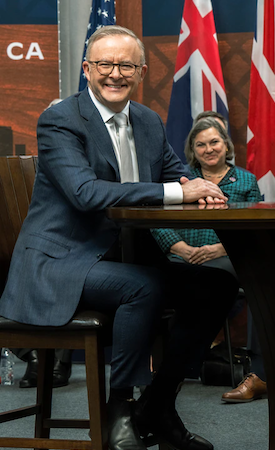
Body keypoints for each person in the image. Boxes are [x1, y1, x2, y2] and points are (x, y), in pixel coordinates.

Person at [0, 25, 237, 450]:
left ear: (141, 72)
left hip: (123, 258)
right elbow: (85, 193)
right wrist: (179, 191)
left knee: (217, 284)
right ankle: (120, 409)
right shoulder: (60, 120)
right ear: (87, 69)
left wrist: (204, 189)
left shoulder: (147, 120)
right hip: (59, 264)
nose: (115, 73)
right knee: (142, 287)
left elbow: (173, 175)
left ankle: (159, 404)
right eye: (105, 64)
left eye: (126, 65)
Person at [149, 117, 265, 404]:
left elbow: (254, 227)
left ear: (226, 145)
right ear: (192, 150)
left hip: (225, 258)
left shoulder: (247, 180)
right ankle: (174, 363)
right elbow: (156, 221)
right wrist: (181, 247)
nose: (208, 149)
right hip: (180, 255)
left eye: (214, 142)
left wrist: (219, 249)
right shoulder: (181, 180)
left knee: (216, 283)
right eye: (200, 144)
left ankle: (184, 361)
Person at [10, 98, 73, 389]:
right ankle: (34, 356)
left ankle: (54, 361)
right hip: (26, 247)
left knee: (63, 273)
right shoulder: (30, 166)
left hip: (72, 248)